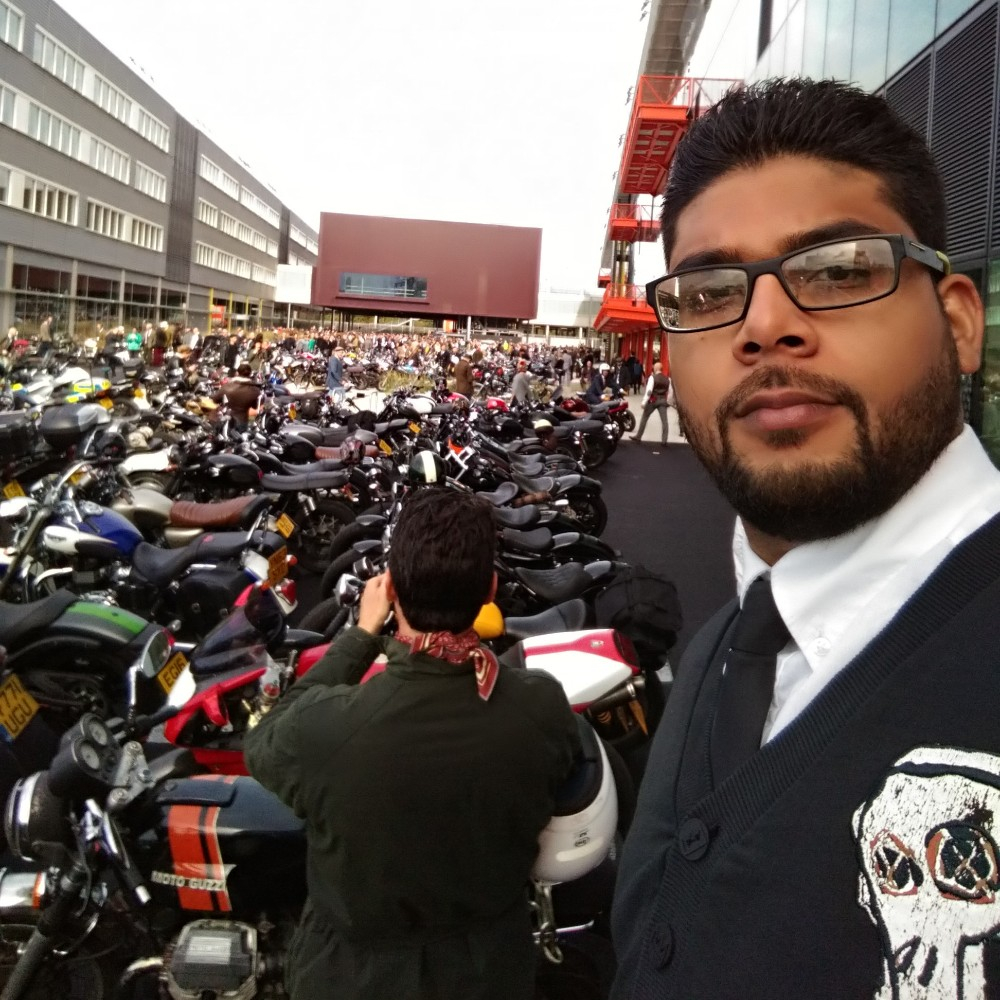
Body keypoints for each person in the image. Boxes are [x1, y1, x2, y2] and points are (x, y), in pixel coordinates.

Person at [611, 78, 997, 999]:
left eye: (838, 270)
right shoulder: (716, 650)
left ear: (957, 322)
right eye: (709, 291)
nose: (764, 326)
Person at [244, 488, 580, 1000]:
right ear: (490, 590)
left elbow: (264, 741)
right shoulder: (542, 706)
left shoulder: (326, 729)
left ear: (392, 589)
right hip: (491, 971)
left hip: (352, 978)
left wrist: (361, 634)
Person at [630, 361, 670, 445]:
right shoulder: (667, 379)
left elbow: (649, 391)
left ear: (656, 368)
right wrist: (669, 401)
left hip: (653, 400)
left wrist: (644, 401)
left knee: (644, 417)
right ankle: (664, 440)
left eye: (654, 367)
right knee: (664, 421)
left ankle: (638, 436)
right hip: (662, 400)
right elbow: (670, 392)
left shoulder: (652, 378)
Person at [212, 362, 260, 428]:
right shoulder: (255, 390)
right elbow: (254, 406)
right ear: (250, 374)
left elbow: (215, 400)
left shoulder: (228, 386)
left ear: (237, 373)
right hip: (242, 421)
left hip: (227, 421)